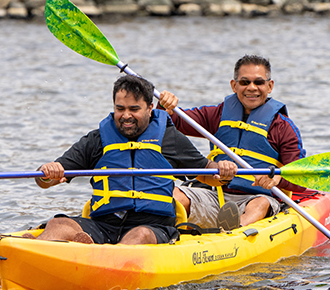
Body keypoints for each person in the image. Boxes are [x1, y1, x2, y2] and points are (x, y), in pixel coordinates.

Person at [27, 75, 238, 245]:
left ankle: (99, 261)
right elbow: (44, 181)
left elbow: (207, 173)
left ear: (150, 108)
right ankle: (33, 255)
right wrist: (48, 172)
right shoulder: (98, 139)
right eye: (120, 109)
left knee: (140, 236)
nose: (126, 115)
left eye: (134, 109)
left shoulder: (169, 138)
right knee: (58, 224)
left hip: (153, 227)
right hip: (104, 224)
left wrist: (222, 170)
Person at [158, 54, 306, 228]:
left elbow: (300, 178)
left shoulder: (283, 127)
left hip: (260, 198)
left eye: (259, 82)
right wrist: (165, 106)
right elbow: (176, 122)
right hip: (217, 196)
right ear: (234, 86)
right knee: (175, 194)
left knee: (259, 204)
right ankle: (164, 229)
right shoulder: (218, 115)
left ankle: (235, 231)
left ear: (270, 86)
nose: (252, 88)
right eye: (244, 82)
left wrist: (277, 179)